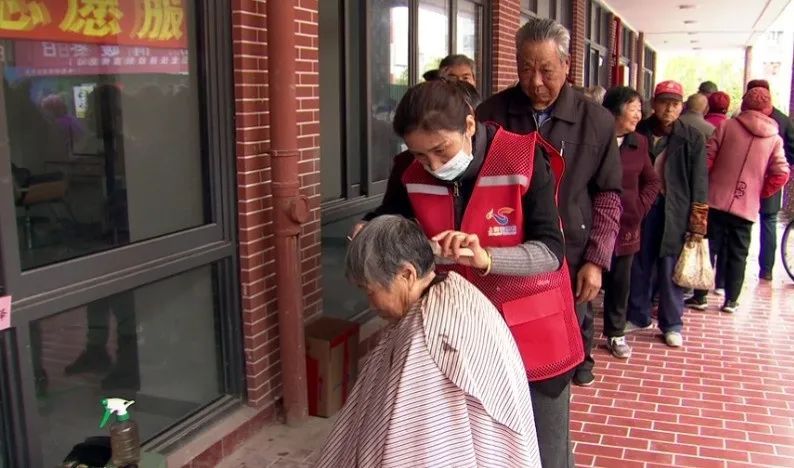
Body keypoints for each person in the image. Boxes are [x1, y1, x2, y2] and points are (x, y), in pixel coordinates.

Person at [353, 79, 574, 467]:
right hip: (455, 334)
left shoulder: (522, 158)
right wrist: (369, 228)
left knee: (541, 450)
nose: (434, 166)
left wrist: (485, 257)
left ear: (470, 125)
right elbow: (391, 219)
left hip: (529, 331)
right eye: (421, 155)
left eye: (441, 150)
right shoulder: (409, 170)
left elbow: (551, 251)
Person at [318, 215, 541, 467]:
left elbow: (419, 455)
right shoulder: (454, 287)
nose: (370, 304)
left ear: (407, 274)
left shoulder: (427, 339)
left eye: (370, 291)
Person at [476, 18, 622, 392]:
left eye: (546, 70)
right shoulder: (491, 114)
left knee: (558, 353)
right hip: (505, 255)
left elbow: (608, 196)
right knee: (503, 349)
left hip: (569, 256)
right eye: (526, 69)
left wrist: (596, 260)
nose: (536, 81)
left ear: (567, 64)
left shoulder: (596, 121)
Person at [686, 87, 789, 313]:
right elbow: (781, 173)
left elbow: (708, 159)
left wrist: (705, 185)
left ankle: (700, 296)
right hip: (747, 205)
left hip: (715, 199)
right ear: (768, 108)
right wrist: (760, 192)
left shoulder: (726, 126)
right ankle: (731, 300)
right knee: (738, 253)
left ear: (744, 104)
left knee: (708, 247)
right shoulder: (774, 139)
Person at [627, 80, 708, 348]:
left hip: (676, 209)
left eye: (675, 104)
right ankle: (637, 315)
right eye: (664, 103)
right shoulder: (639, 130)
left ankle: (672, 323)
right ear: (654, 104)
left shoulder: (692, 137)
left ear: (682, 107)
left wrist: (698, 224)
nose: (669, 109)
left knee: (671, 265)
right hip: (642, 205)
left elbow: (700, 182)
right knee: (639, 261)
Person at [601, 87, 661, 359]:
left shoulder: (639, 143)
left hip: (626, 225)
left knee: (619, 282)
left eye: (639, 109)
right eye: (633, 109)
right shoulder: (595, 137)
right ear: (615, 110)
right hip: (595, 223)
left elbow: (652, 181)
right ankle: (579, 336)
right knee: (587, 280)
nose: (639, 115)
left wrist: (640, 207)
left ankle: (615, 333)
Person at [746, 80, 794, 281]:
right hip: (771, 179)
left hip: (747, 178)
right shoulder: (783, 121)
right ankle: (766, 270)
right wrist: (782, 167)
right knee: (768, 221)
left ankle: (730, 272)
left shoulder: (741, 118)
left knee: (743, 223)